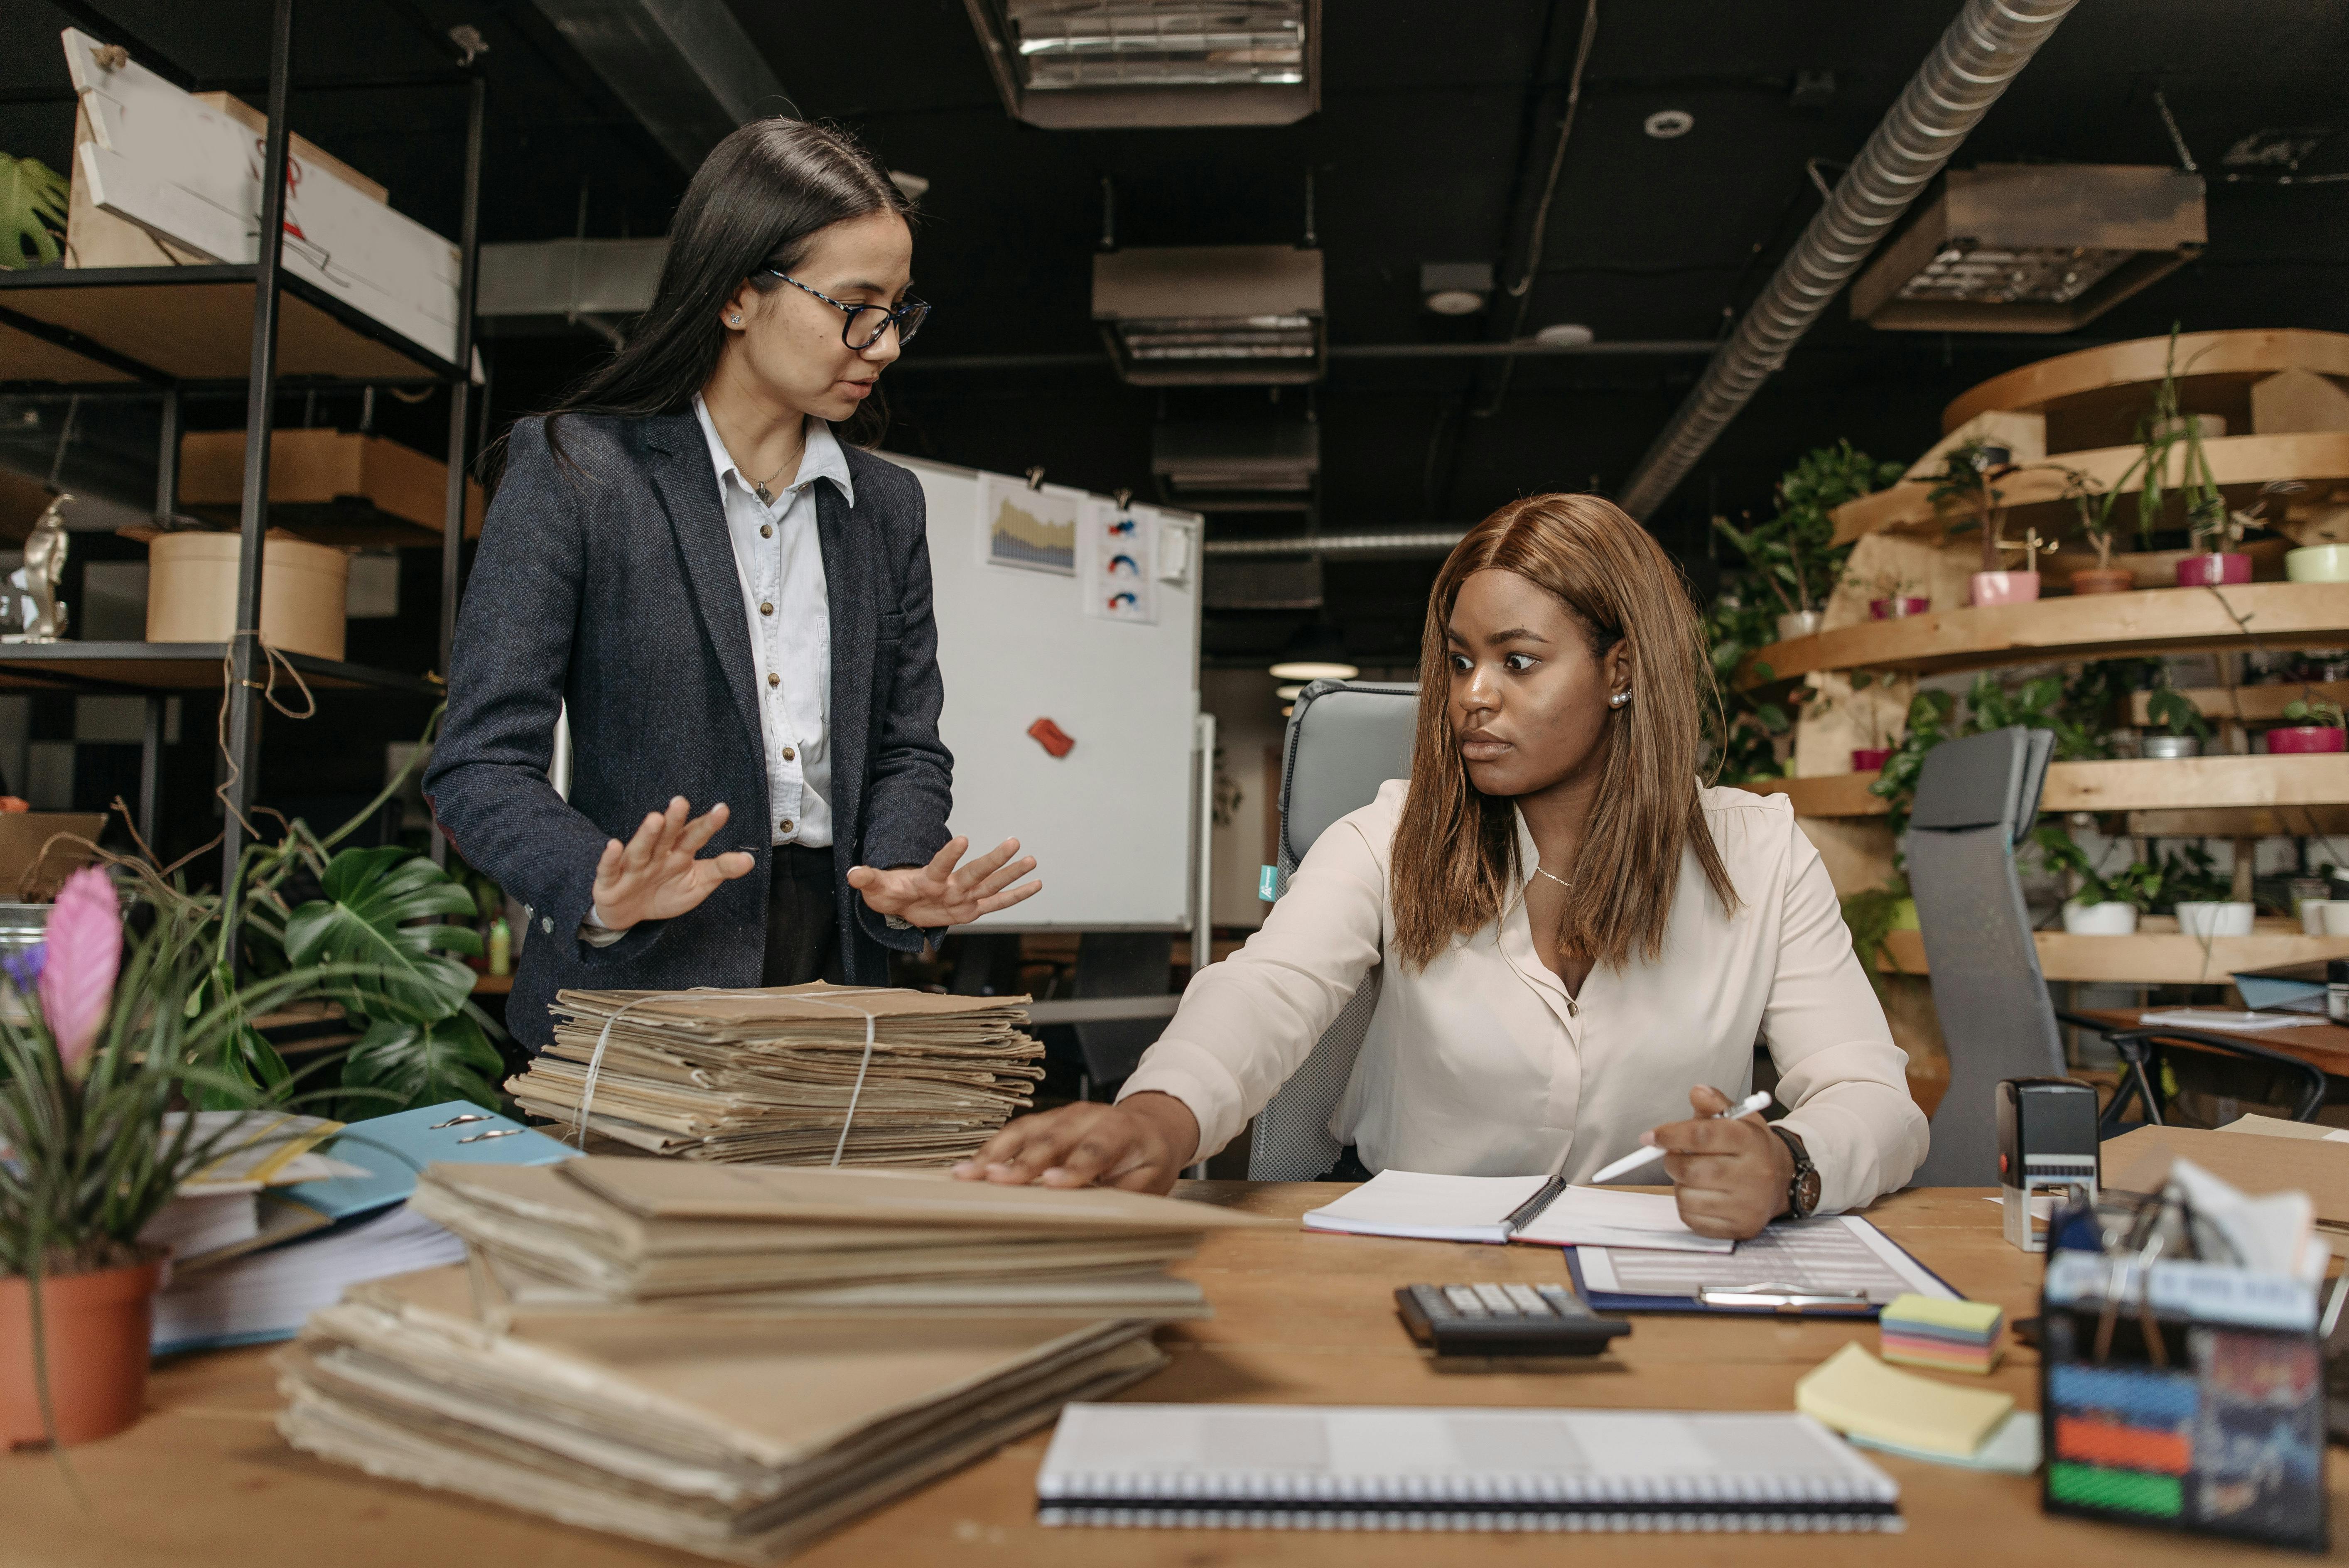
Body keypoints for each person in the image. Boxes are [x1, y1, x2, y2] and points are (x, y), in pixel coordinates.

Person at [955, 494, 1927, 1238]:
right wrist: (1158, 1120)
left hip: (1653, 1271)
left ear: (1620, 669)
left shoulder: (1758, 853)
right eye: (1459, 662)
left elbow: (1873, 1097)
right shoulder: (1391, 832)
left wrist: (1788, 1165)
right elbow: (1264, 990)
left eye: (1517, 660)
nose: (1472, 698)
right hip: (1405, 1258)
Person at [425, 118, 1038, 1051]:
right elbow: (478, 762)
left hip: (837, 979)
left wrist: (902, 870)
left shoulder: (887, 506)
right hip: (637, 974)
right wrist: (597, 877)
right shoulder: (577, 472)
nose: (884, 346)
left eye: (899, 310)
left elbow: (908, 748)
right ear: (737, 297)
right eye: (854, 306)